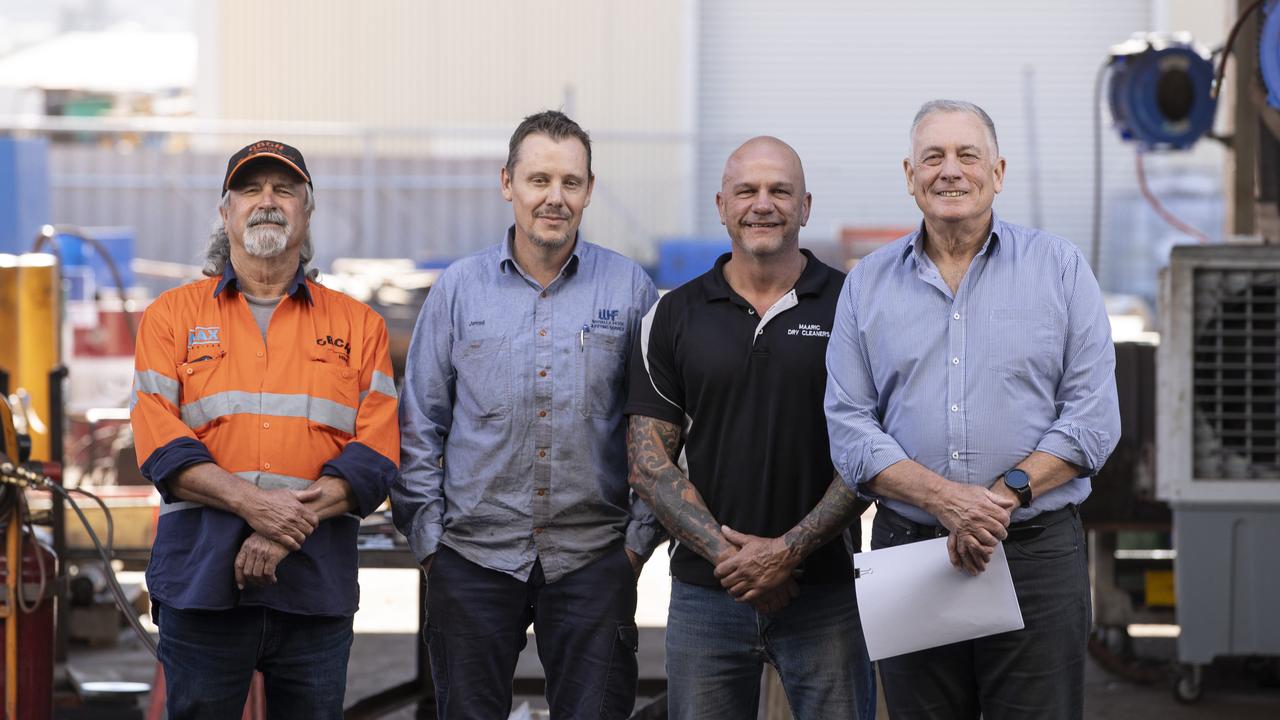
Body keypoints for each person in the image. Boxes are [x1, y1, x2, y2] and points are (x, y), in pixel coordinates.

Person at [825, 99, 1121, 719]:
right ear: (910, 175)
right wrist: (944, 500)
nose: (949, 170)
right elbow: (850, 427)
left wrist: (1001, 498)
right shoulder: (867, 284)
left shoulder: (1061, 269)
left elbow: (1093, 419)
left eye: (967, 155)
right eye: (933, 156)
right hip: (911, 551)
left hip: (1034, 553)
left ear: (999, 171)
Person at [393, 110, 662, 719]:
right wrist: (432, 544)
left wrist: (636, 547)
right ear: (507, 182)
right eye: (539, 180)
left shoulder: (628, 291)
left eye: (571, 182)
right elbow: (419, 424)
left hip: (594, 558)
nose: (555, 198)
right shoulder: (459, 291)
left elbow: (659, 431)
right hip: (472, 558)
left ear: (589, 190)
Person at [130, 140, 400, 718]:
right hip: (201, 585)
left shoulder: (359, 325)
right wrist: (257, 506)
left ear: (308, 209)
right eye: (250, 189)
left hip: (314, 588)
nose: (267, 202)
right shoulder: (171, 317)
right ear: (225, 211)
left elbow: (375, 456)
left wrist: (280, 529)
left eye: (284, 189)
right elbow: (158, 442)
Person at [626, 136, 876, 720]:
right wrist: (735, 560)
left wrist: (788, 553)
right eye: (747, 191)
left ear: (805, 206)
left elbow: (872, 452)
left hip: (826, 595)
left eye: (779, 191)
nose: (763, 204)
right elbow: (648, 463)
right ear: (721, 205)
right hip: (706, 594)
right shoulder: (673, 314)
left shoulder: (854, 307)